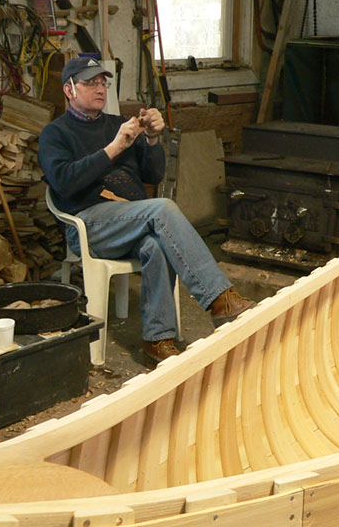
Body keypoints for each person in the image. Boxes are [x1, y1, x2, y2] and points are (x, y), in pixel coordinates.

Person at [39, 57, 255, 363]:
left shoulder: (117, 123)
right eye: (90, 83)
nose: (100, 89)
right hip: (89, 225)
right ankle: (219, 299)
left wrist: (152, 138)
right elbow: (63, 182)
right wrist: (115, 147)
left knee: (155, 245)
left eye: (103, 82)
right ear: (69, 89)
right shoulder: (55, 133)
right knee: (162, 210)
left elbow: (153, 175)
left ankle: (158, 339)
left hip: (133, 219)